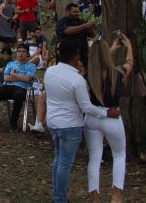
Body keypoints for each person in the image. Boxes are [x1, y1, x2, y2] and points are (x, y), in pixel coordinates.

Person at [45, 40, 120, 203]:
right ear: (75, 56)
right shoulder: (76, 80)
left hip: (53, 122)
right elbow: (86, 107)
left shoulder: (50, 71)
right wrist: (106, 112)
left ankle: (57, 194)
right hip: (70, 125)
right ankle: (59, 198)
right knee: (65, 162)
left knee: (59, 158)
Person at [84, 36, 135, 202]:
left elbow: (98, 61)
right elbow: (129, 63)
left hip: (92, 118)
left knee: (94, 159)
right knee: (119, 155)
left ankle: (95, 197)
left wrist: (110, 50)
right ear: (107, 55)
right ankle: (116, 195)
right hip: (112, 118)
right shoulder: (118, 74)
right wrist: (128, 47)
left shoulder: (88, 76)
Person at [0, 44, 37, 132]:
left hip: (23, 88)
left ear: (27, 53)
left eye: (24, 52)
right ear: (16, 53)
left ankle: (13, 123)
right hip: (8, 86)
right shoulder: (11, 64)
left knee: (18, 96)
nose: (21, 54)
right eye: (19, 51)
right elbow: (6, 78)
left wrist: (13, 75)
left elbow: (28, 79)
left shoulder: (31, 66)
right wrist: (21, 77)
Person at [56, 3, 96, 68]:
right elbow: (67, 31)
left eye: (78, 11)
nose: (77, 13)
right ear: (67, 11)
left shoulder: (82, 21)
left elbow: (93, 35)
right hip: (67, 56)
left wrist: (91, 28)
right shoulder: (61, 22)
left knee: (84, 74)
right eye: (74, 12)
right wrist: (85, 26)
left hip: (83, 55)